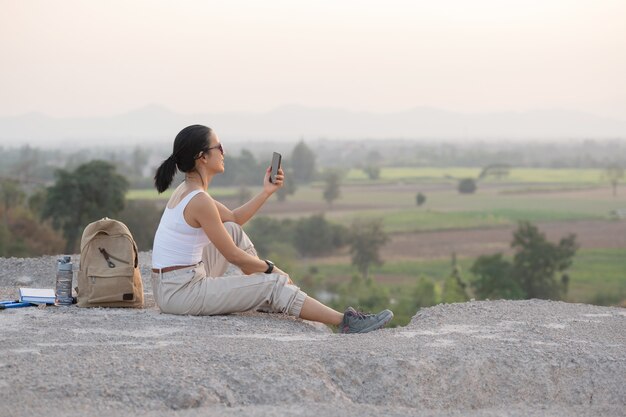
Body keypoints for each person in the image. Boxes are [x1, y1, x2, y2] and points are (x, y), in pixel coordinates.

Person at [151, 124, 393, 333]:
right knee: (273, 283)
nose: (224, 153)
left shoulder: (190, 190)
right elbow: (233, 256)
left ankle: (266, 294)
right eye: (219, 148)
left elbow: (234, 218)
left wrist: (266, 191)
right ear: (202, 156)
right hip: (182, 293)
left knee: (232, 230)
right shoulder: (199, 200)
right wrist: (270, 269)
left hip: (172, 286)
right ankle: (345, 322)